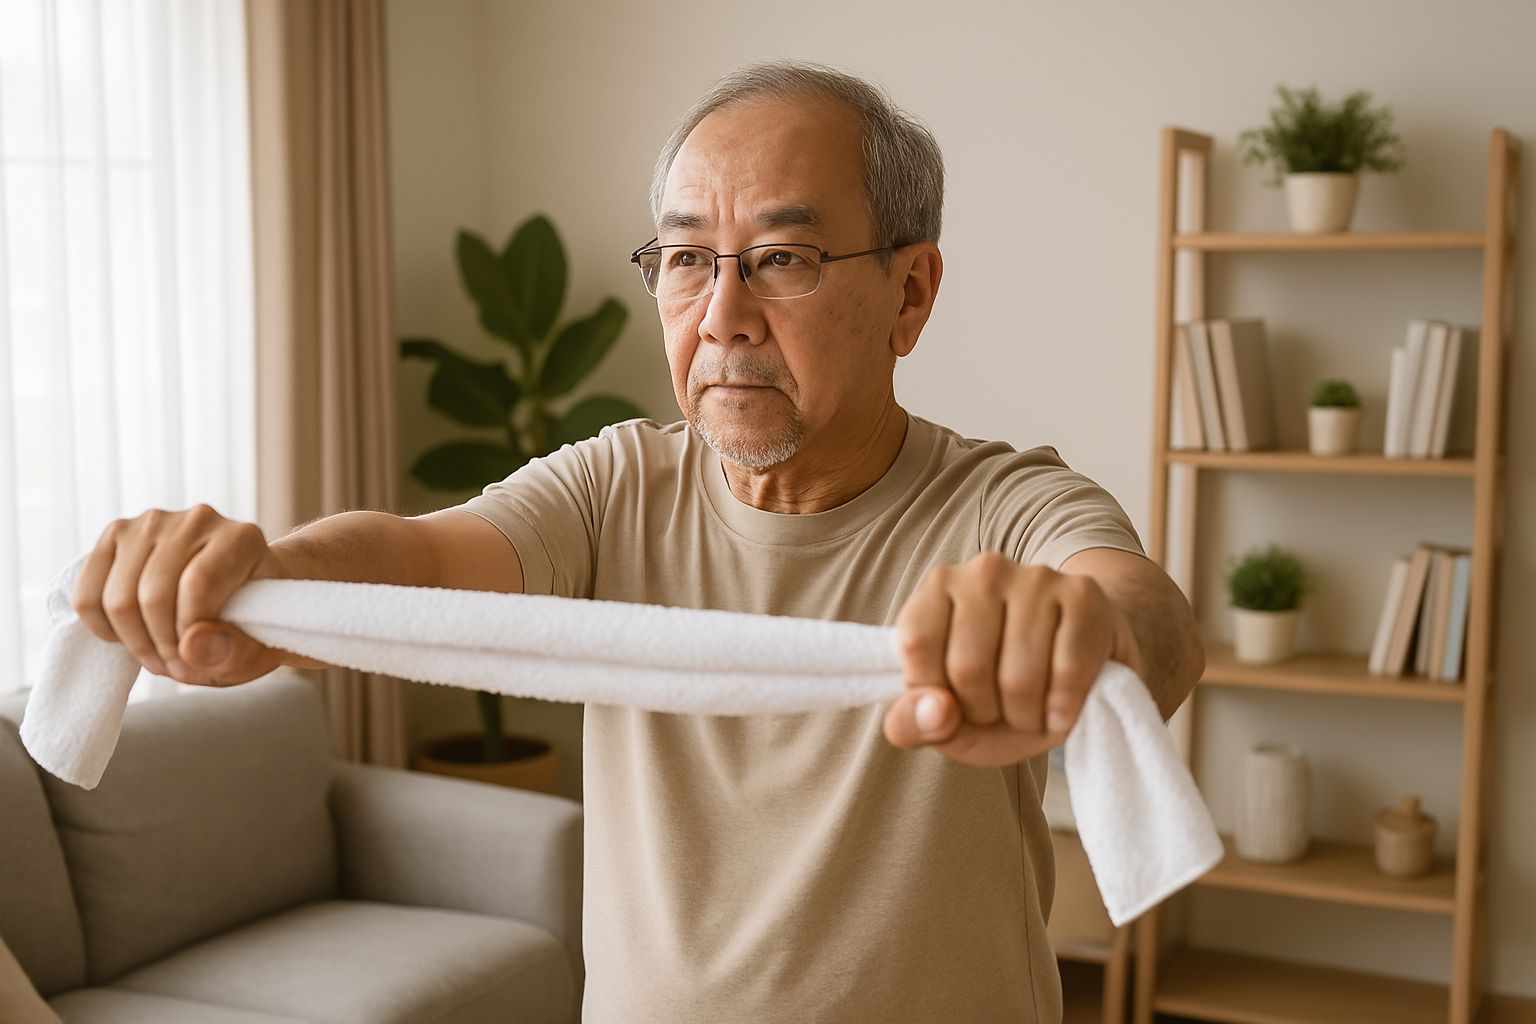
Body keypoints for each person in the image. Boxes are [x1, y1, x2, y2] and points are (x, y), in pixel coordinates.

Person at [70, 61, 1202, 1023]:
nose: (721, 317)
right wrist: (270, 577)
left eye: (783, 259)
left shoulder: (1002, 504)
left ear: (911, 294)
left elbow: (1145, 617)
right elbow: (421, 559)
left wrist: (1076, 631)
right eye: (686, 259)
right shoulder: (613, 486)